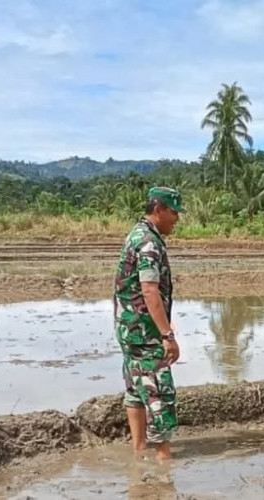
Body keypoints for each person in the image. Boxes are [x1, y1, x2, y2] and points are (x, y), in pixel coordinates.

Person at [114, 186, 184, 460]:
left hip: (128, 329)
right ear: (158, 210)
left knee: (135, 389)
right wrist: (167, 334)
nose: (176, 218)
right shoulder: (149, 242)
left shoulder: (137, 234)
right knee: (159, 392)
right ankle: (163, 460)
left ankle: (139, 452)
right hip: (144, 333)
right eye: (174, 211)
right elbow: (150, 290)